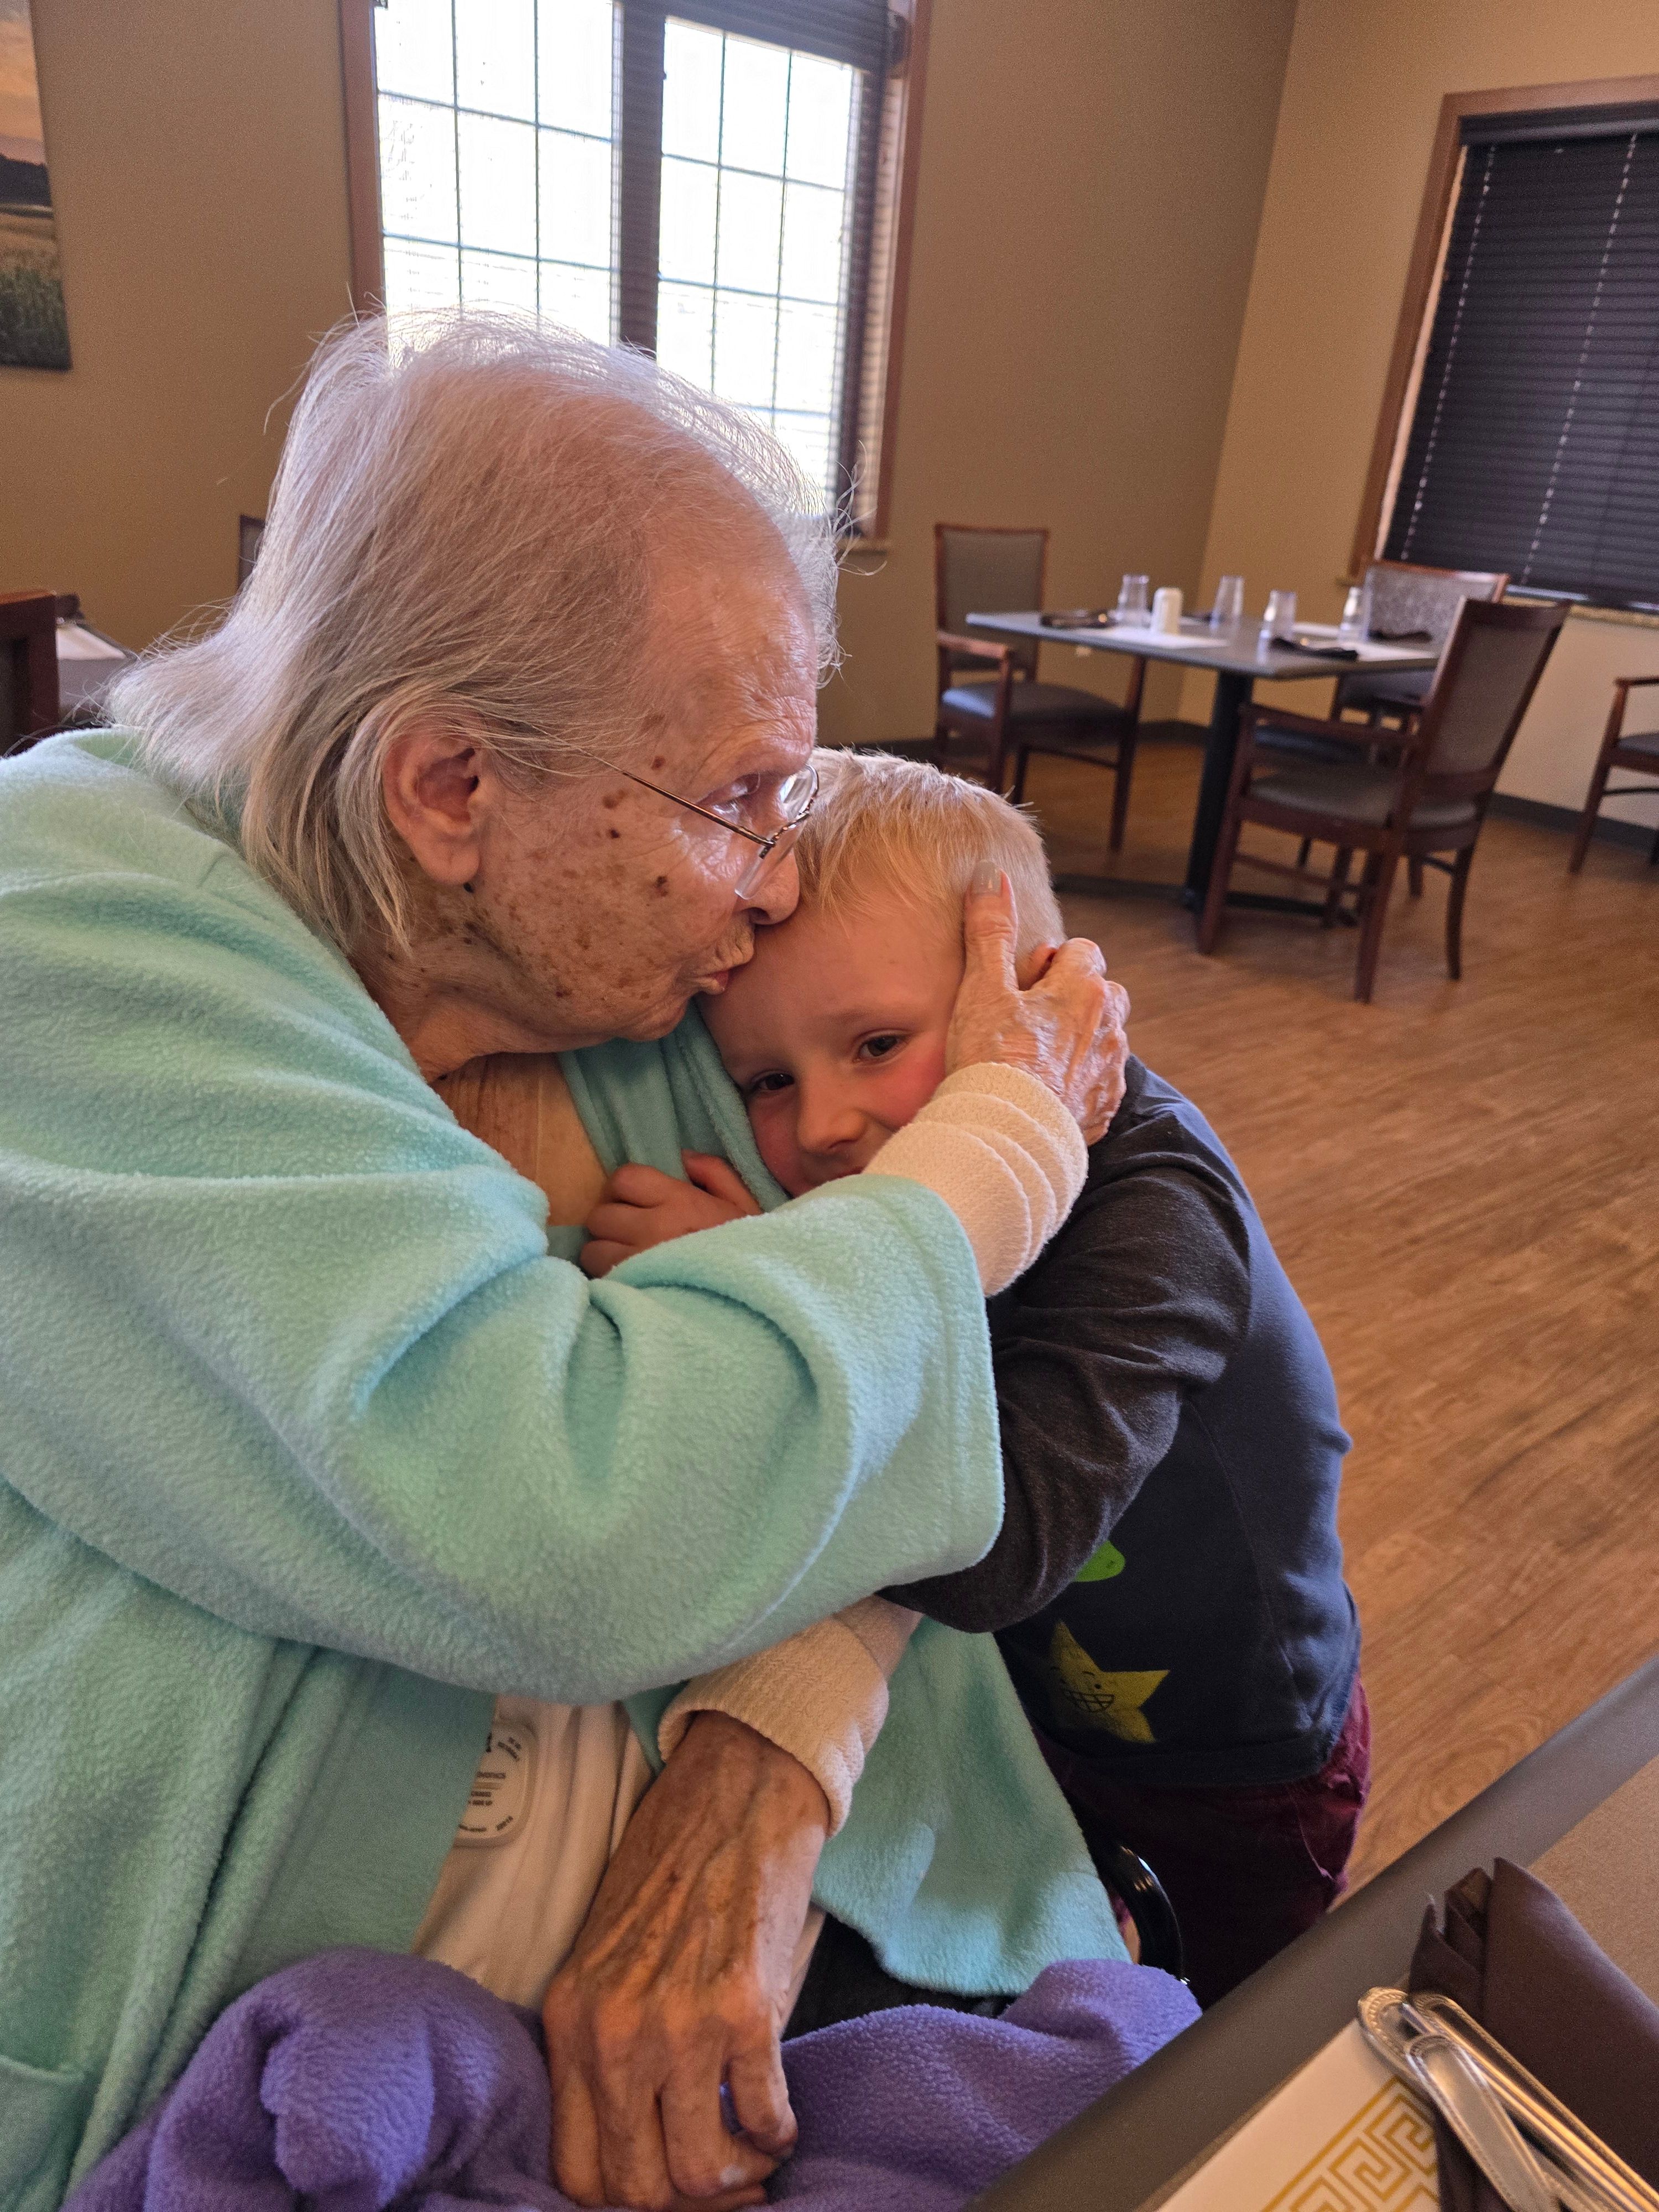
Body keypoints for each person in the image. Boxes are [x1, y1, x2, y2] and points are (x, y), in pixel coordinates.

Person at [0, 315, 1133, 2212]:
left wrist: (768, 1749)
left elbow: (1117, 1168)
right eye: (744, 798)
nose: (780, 873)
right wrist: (995, 1158)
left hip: (723, 2039)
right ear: (450, 791)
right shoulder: (61, 924)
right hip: (253, 2091)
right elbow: (565, 1509)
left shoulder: (592, 947)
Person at [585, 750, 1368, 2005]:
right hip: (1044, 1717)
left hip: (1235, 1756)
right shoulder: (890, 1175)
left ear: (1041, 1002)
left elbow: (995, 1548)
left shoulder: (1155, 1210)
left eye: (877, 1043)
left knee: (1213, 2039)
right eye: (769, 1081)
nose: (822, 1125)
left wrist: (750, 1277)